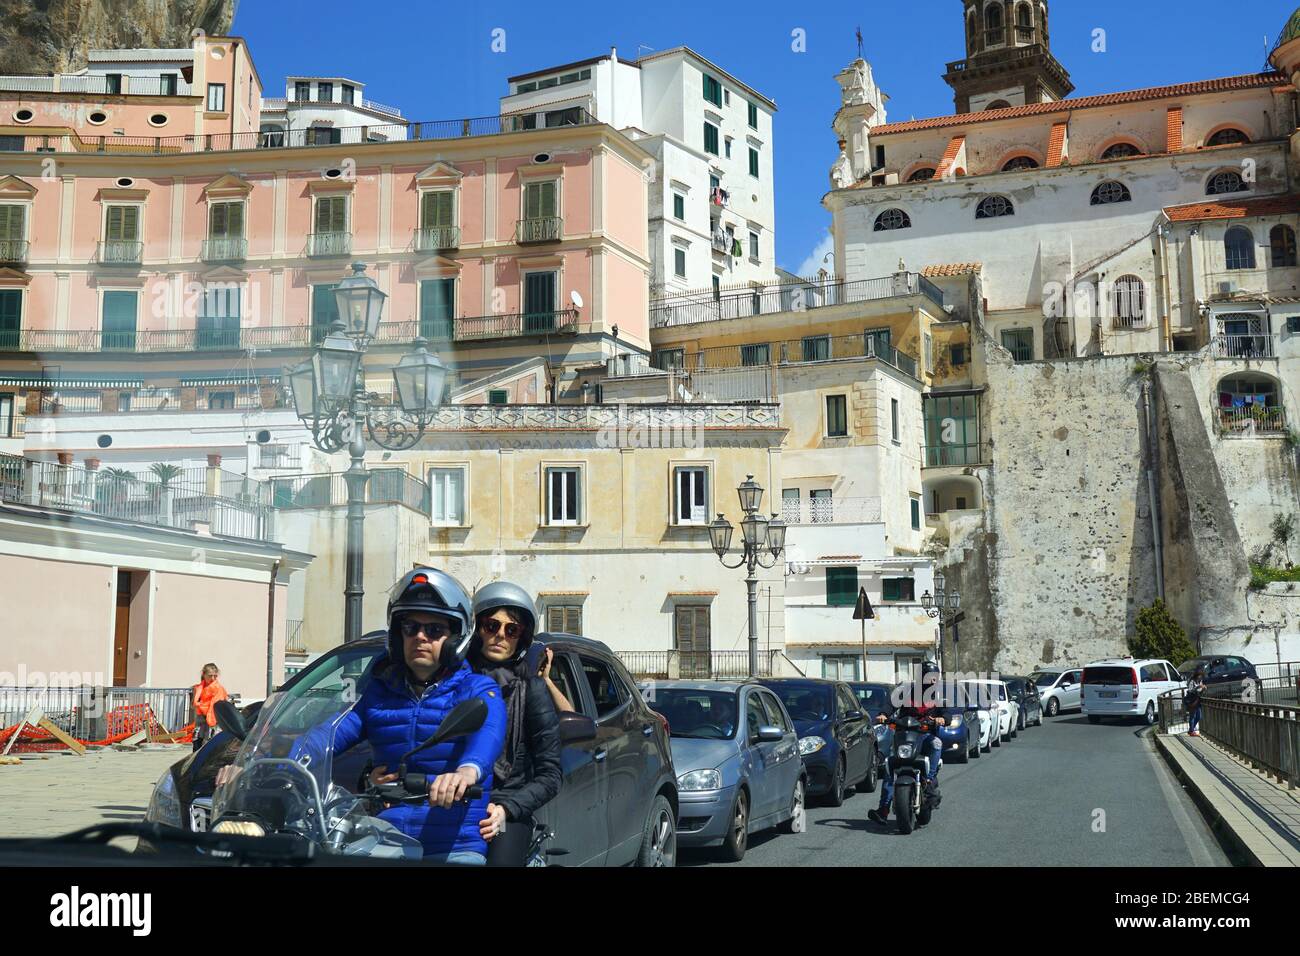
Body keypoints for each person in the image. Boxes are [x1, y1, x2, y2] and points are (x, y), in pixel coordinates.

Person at [314, 568, 507, 864]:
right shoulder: (379, 696)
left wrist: (466, 773)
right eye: (410, 628)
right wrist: (261, 762)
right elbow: (326, 736)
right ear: (396, 634)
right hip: (385, 840)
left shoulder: (478, 690)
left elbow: (488, 733)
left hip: (454, 846)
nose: (419, 637)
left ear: (456, 638)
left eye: (433, 630)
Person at [468, 581, 563, 867]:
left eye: (511, 630)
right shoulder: (453, 682)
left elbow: (551, 774)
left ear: (521, 639)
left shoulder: (531, 690)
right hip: (451, 801)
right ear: (477, 630)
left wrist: (506, 809)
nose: (500, 635)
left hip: (504, 806)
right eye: (491, 625)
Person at [867, 665, 946, 827]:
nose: (933, 680)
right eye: (930, 676)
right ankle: (883, 809)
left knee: (937, 743)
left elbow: (947, 711)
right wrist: (884, 714)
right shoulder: (906, 690)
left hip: (925, 735)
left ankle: (929, 779)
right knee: (890, 765)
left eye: (935, 677)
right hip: (904, 735)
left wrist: (943, 718)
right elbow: (891, 704)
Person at [191, 663, 228, 752]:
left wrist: (201, 705)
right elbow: (194, 704)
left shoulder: (218, 688)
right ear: (204, 675)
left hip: (213, 718)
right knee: (197, 740)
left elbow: (218, 704)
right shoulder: (199, 688)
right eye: (210, 676)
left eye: (215, 676)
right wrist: (199, 705)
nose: (213, 679)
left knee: (211, 742)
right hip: (201, 718)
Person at [1186, 667, 1207, 737]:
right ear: (1197, 675)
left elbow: (1200, 692)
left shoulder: (1200, 681)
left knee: (1199, 716)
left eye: (1201, 675)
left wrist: (1203, 689)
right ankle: (1191, 731)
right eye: (1199, 675)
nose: (1200, 677)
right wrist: (1198, 687)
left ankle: (1191, 729)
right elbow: (1190, 690)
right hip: (1192, 700)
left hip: (1197, 700)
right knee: (1192, 716)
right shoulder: (1192, 681)